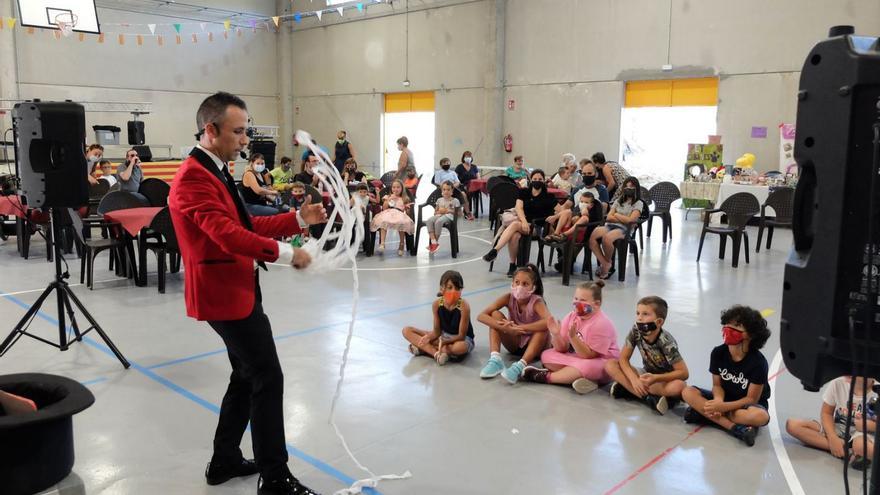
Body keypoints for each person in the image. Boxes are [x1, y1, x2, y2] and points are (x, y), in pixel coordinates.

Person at [168, 91, 326, 495]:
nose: (245, 140)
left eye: (245, 130)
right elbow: (225, 235)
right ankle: (274, 477)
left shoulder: (216, 168)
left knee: (245, 374)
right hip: (223, 296)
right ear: (210, 129)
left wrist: (295, 219)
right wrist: (288, 253)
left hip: (237, 289)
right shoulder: (192, 178)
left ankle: (224, 460)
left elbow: (244, 223)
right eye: (238, 131)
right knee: (267, 377)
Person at [681, 305, 772, 447]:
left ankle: (704, 415)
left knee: (760, 416)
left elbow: (751, 398)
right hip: (724, 399)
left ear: (750, 334)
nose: (728, 328)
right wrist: (718, 400)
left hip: (747, 405)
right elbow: (717, 385)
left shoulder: (759, 363)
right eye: (727, 324)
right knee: (687, 392)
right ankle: (735, 428)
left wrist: (722, 407)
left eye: (736, 326)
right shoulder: (718, 352)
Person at [522, 281, 619, 395]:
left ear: (596, 304)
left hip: (599, 361)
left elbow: (589, 356)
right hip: (576, 358)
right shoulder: (572, 316)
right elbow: (562, 349)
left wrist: (573, 337)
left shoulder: (601, 323)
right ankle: (584, 379)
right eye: (576, 298)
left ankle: (548, 377)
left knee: (588, 367)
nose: (577, 303)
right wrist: (556, 335)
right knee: (547, 355)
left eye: (583, 300)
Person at [605, 296, 689, 415]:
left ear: (659, 322)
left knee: (679, 386)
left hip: (663, 380)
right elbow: (623, 358)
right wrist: (634, 380)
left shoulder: (666, 341)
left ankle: (629, 390)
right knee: (610, 364)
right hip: (646, 376)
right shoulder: (636, 330)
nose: (639, 317)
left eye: (645, 314)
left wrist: (656, 378)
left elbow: (683, 373)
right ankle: (649, 399)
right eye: (638, 313)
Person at [478, 264, 550, 384]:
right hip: (515, 344)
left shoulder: (536, 301)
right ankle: (495, 360)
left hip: (536, 348)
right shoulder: (508, 297)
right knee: (495, 314)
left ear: (533, 287)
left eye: (525, 284)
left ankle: (520, 366)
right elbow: (481, 316)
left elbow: (548, 321)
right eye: (517, 282)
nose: (520, 286)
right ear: (512, 283)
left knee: (542, 329)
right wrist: (505, 328)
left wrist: (520, 327)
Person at [786, 376, 877, 471]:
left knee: (860, 446)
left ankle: (852, 450)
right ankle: (846, 450)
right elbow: (826, 413)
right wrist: (833, 438)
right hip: (838, 427)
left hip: (862, 434)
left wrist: (868, 425)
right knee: (793, 425)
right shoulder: (838, 382)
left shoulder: (877, 390)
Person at [482, 169, 558, 277]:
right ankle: (513, 265)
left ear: (544, 180)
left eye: (540, 179)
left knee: (514, 225)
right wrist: (524, 222)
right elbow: (519, 208)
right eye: (535, 179)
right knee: (514, 236)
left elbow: (562, 210)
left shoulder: (549, 197)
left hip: (538, 227)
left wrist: (555, 216)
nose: (537, 181)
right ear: (530, 180)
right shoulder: (524, 192)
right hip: (523, 224)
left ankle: (495, 251)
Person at [402, 270, 475, 365]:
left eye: (457, 288)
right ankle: (436, 353)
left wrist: (444, 341)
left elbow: (461, 336)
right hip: (443, 336)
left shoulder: (464, 306)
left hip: (461, 339)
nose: (454, 291)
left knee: (460, 347)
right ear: (442, 289)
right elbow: (437, 332)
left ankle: (425, 349)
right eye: (450, 287)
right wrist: (428, 337)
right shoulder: (436, 304)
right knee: (407, 330)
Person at [588, 176, 644, 279]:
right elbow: (609, 217)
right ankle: (606, 263)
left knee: (607, 238)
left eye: (631, 187)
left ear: (636, 188)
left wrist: (617, 215)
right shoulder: (619, 200)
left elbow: (630, 220)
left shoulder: (638, 203)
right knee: (593, 235)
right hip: (611, 225)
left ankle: (606, 266)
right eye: (626, 187)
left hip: (625, 229)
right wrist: (623, 218)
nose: (628, 189)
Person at [370, 179, 414, 256]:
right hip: (388, 213)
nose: (395, 189)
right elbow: (384, 208)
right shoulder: (387, 197)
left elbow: (407, 213)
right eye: (394, 187)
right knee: (383, 221)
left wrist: (407, 208)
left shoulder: (404, 198)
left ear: (402, 189)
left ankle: (401, 244)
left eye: (398, 187)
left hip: (399, 214)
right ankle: (382, 243)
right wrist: (389, 199)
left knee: (402, 223)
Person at [426, 181, 460, 253]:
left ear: (452, 191)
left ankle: (435, 242)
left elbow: (460, 213)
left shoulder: (455, 201)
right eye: (444, 189)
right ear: (442, 191)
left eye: (448, 189)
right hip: (439, 215)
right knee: (429, 220)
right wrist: (439, 212)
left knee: (439, 222)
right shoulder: (439, 200)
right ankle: (434, 241)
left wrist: (448, 211)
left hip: (449, 216)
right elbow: (435, 212)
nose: (446, 191)